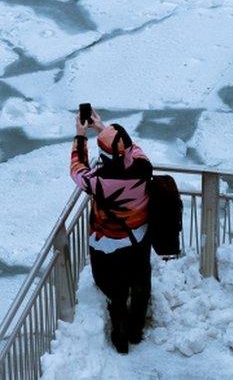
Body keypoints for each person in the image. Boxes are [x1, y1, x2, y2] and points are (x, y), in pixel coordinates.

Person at [70, 108, 153, 354]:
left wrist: (81, 136)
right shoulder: (143, 168)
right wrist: (103, 128)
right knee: (140, 285)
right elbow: (132, 149)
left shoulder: (99, 182)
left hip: (109, 244)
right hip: (138, 237)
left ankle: (120, 338)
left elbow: (77, 168)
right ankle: (136, 331)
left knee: (116, 292)